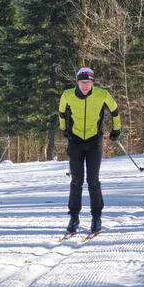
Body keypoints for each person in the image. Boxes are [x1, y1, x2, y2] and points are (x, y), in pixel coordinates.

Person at [58, 67, 121, 234]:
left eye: (88, 82)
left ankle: (96, 217)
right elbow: (62, 113)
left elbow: (115, 111)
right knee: (76, 181)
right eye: (82, 82)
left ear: (93, 82)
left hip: (94, 142)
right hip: (75, 141)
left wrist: (116, 130)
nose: (85, 85)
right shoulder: (67, 95)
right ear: (77, 82)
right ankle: (73, 217)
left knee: (93, 180)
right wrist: (64, 129)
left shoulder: (102, 94)